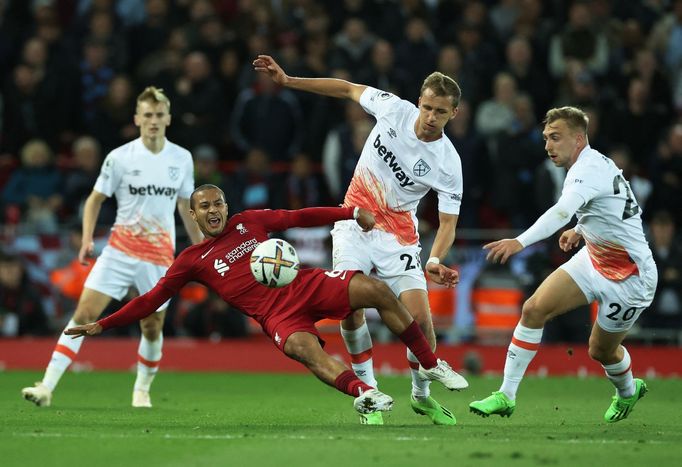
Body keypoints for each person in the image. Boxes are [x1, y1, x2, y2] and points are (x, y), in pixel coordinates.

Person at [64, 184, 468, 418]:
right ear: (193, 214)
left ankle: (431, 365)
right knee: (304, 350)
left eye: (218, 203)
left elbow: (297, 217)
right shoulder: (191, 261)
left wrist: (348, 212)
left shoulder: (249, 222)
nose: (213, 210)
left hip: (305, 285)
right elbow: (151, 299)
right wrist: (105, 323)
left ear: (226, 206)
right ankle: (364, 393)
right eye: (204, 206)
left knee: (377, 289)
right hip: (276, 315)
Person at [253, 54, 465, 425]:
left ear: (454, 114)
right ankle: (370, 396)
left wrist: (434, 259)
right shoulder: (393, 110)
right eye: (428, 107)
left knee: (420, 322)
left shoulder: (448, 162)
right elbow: (347, 89)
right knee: (349, 309)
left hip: (397, 236)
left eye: (441, 112)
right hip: (353, 222)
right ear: (418, 102)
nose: (431, 117)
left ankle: (421, 395)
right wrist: (289, 81)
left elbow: (448, 222)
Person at [469, 106, 658, 423]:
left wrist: (519, 241)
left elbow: (561, 211)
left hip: (631, 278)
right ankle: (506, 394)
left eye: (556, 138)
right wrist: (580, 230)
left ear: (579, 138)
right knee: (533, 309)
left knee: (599, 350)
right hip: (595, 258)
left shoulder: (586, 171)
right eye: (545, 138)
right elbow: (616, 214)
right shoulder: (596, 164)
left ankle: (628, 391)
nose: (548, 146)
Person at [22, 86, 204, 408]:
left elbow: (185, 206)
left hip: (160, 256)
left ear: (168, 119)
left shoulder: (182, 158)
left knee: (151, 327)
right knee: (84, 314)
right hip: (119, 250)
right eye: (147, 115)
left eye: (159, 115)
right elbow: (94, 200)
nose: (153, 121)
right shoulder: (119, 157)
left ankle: (142, 389)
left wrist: (202, 247)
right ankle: (46, 386)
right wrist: (88, 237)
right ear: (136, 118)